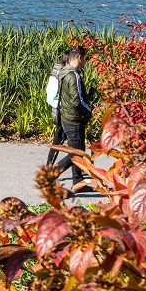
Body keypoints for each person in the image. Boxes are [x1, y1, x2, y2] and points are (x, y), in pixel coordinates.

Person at [51, 47, 95, 190]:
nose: (85, 62)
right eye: (86, 59)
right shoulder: (73, 75)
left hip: (68, 117)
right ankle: (51, 173)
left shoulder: (65, 72)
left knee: (79, 149)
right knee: (75, 153)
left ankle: (78, 181)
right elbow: (77, 101)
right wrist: (89, 110)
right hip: (74, 119)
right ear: (79, 58)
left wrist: (87, 98)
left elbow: (73, 97)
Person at [43, 52, 68, 167]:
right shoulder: (61, 75)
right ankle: (52, 169)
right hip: (63, 113)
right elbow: (52, 97)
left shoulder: (58, 74)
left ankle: (77, 172)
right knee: (64, 142)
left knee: (60, 141)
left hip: (62, 112)